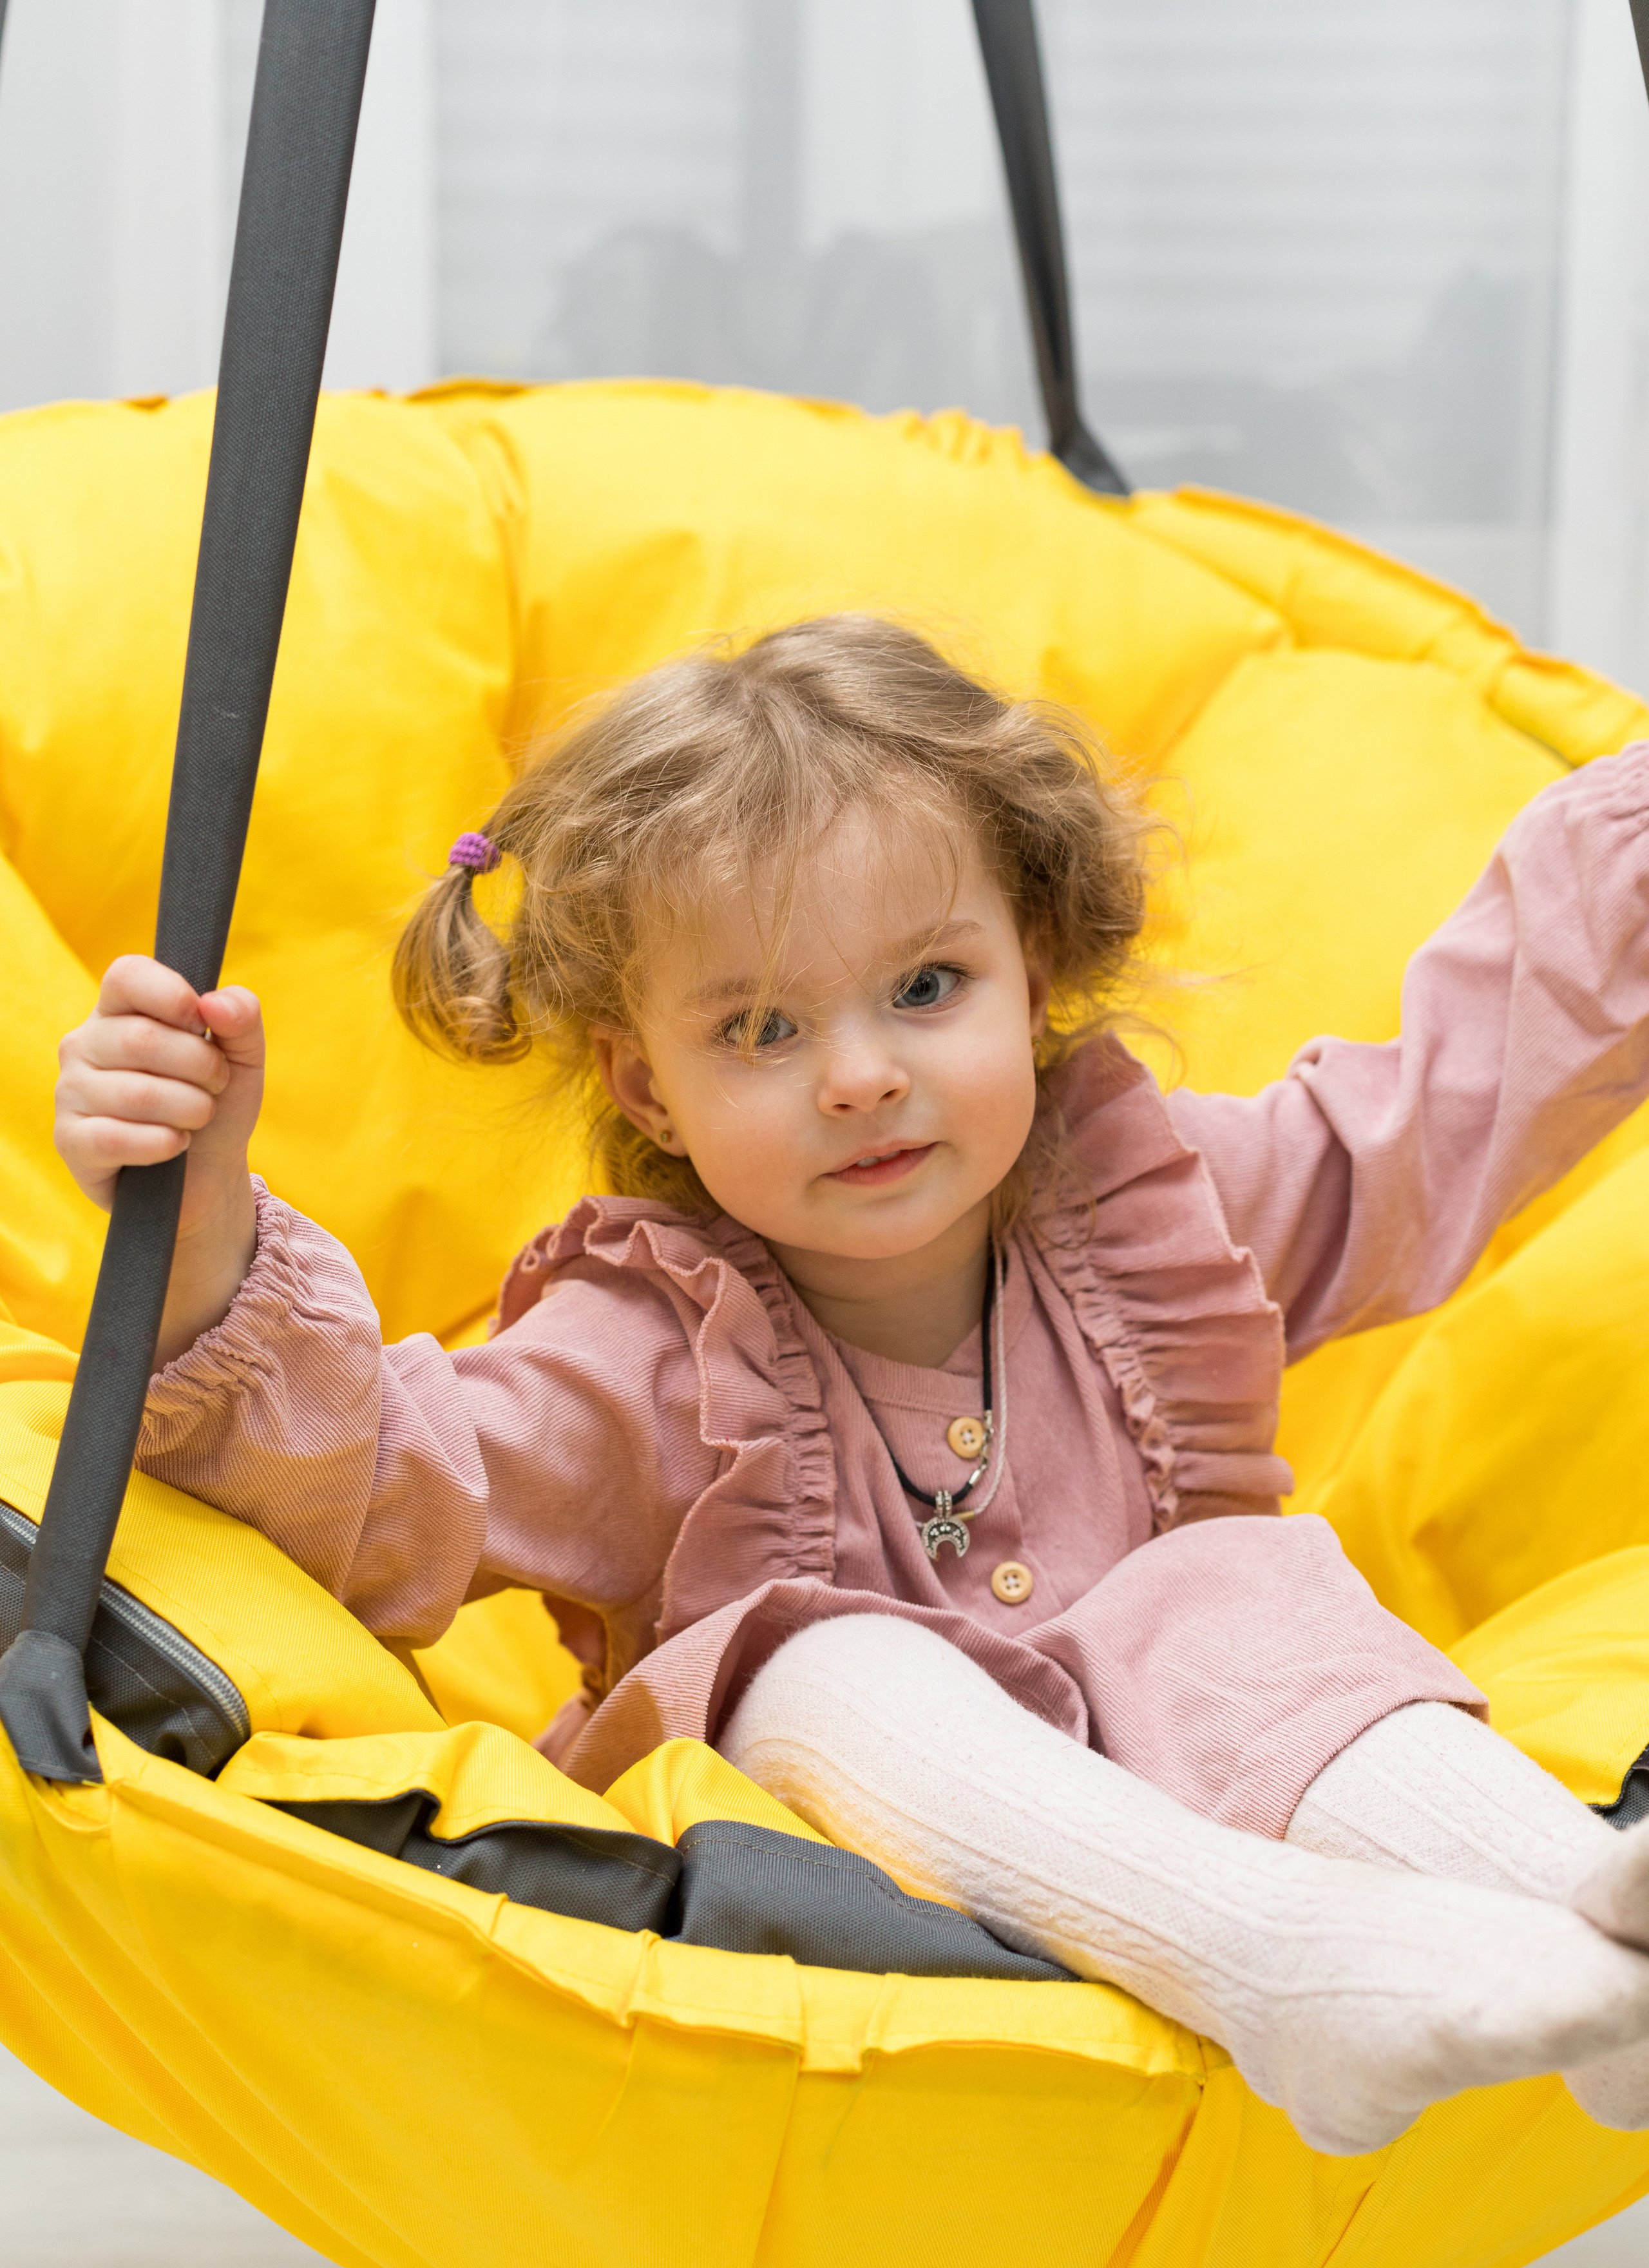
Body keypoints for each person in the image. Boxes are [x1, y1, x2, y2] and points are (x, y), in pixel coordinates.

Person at [51, 615, 1649, 2158]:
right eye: (758, 1027)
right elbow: (388, 1488)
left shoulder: (1157, 1217)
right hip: (805, 1929)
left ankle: (1589, 1947)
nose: (861, 1074)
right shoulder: (647, 1355)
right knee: (812, 1664)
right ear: (644, 1087)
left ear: (1033, 975)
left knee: (1229, 1582)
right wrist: (197, 1229)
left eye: (927, 988)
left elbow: (1430, 1122)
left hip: (1216, 1785)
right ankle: (1296, 1964)